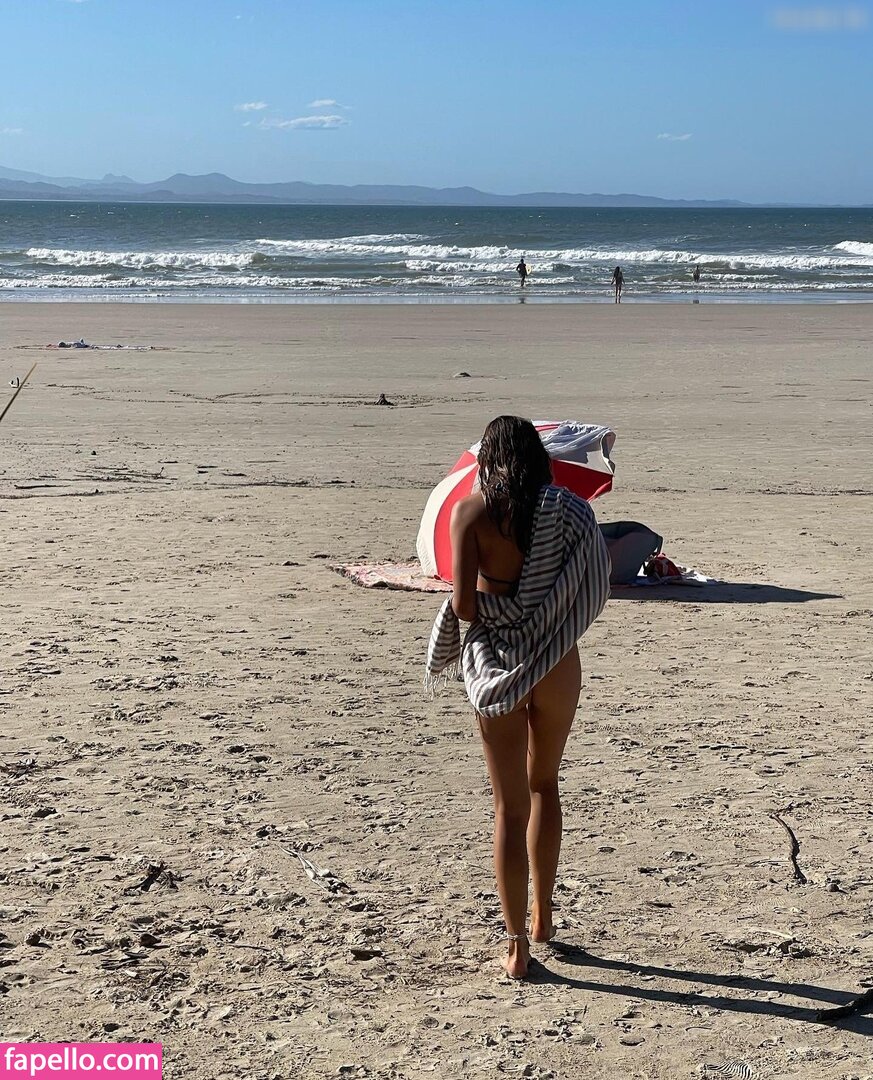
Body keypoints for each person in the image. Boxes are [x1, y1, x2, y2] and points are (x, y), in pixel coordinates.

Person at [426, 416, 611, 979]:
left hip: (496, 660)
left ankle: (515, 948)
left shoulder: (471, 512)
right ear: (539, 458)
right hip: (556, 658)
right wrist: (542, 617)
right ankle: (544, 917)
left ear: (488, 461)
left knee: (509, 806)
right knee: (545, 784)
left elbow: (464, 607)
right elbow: (592, 586)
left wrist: (502, 609)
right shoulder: (573, 511)